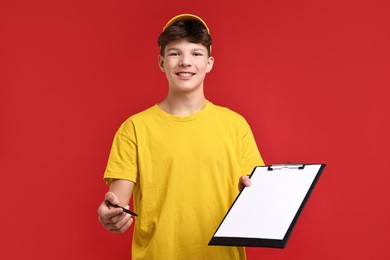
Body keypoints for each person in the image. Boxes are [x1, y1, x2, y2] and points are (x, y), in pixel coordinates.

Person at [97, 13, 265, 260]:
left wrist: (249, 197)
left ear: (209, 63)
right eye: (175, 53)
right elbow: (116, 204)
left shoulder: (235, 125)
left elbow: (260, 205)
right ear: (162, 62)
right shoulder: (134, 128)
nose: (185, 62)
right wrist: (109, 213)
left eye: (196, 53)